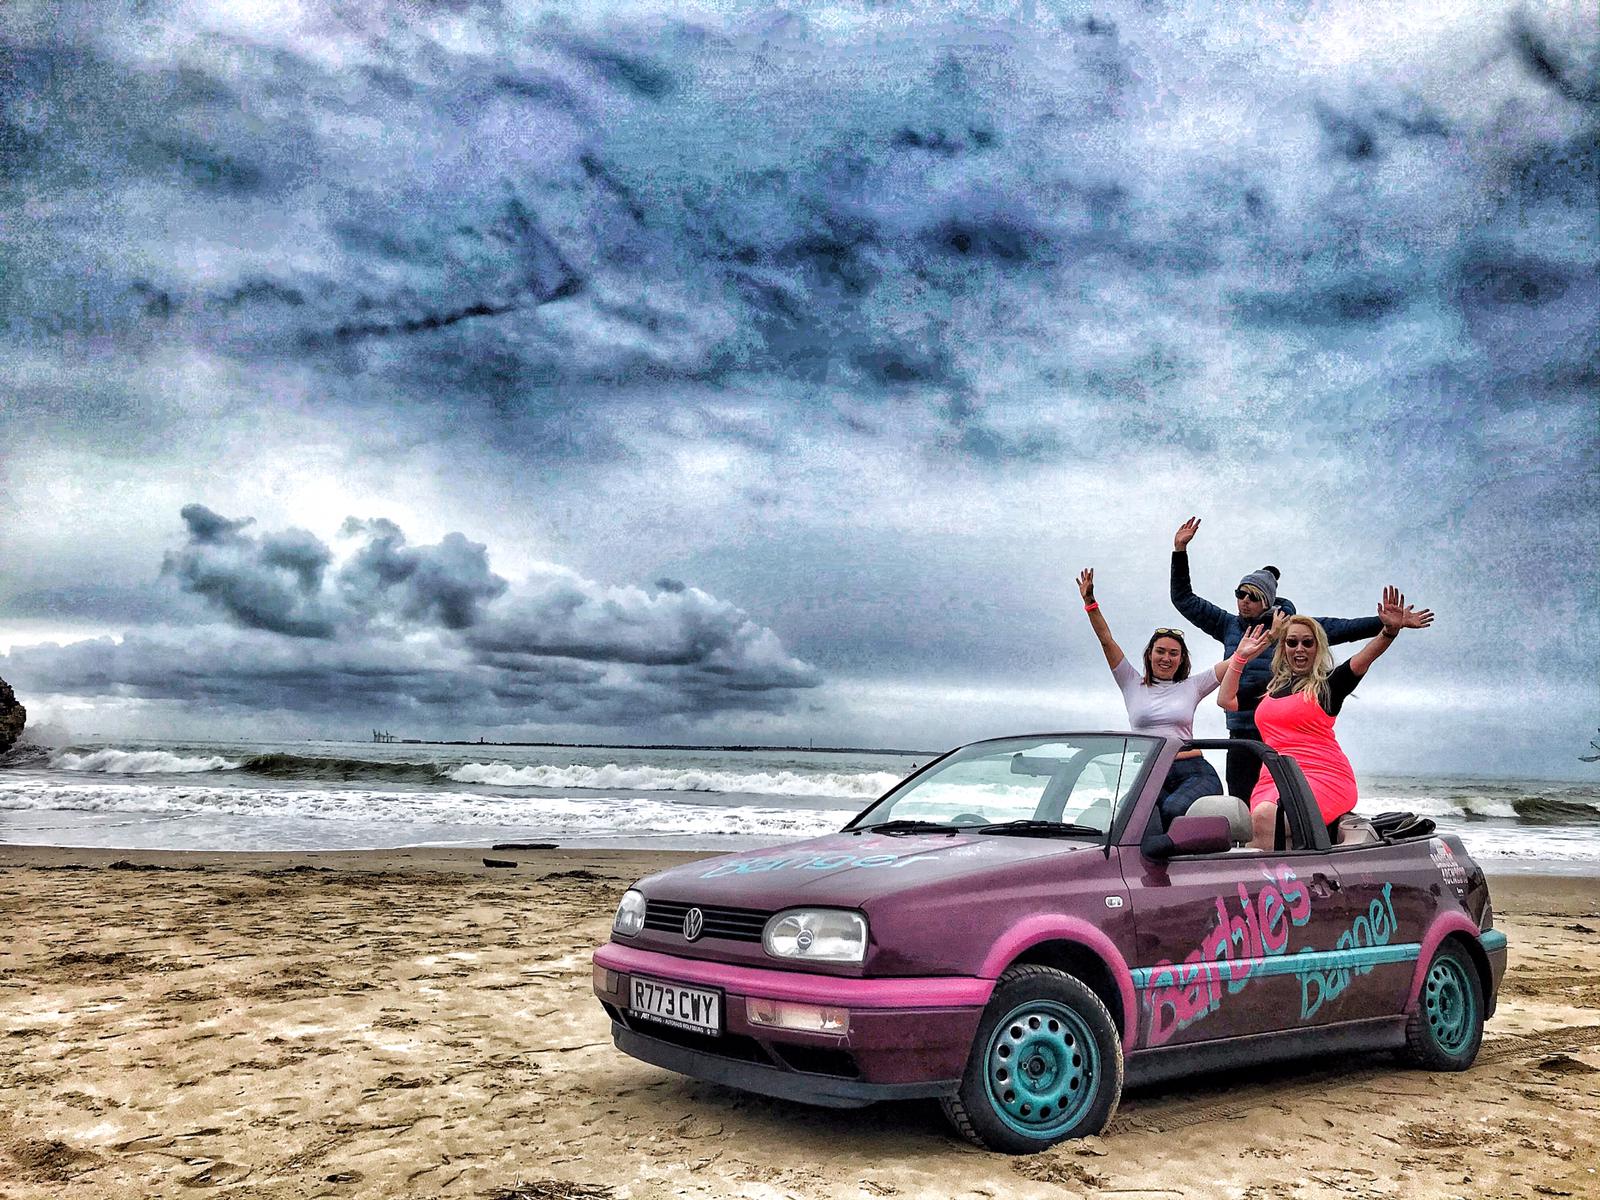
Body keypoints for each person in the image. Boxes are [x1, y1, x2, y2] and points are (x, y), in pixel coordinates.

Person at [1170, 516, 1383, 800]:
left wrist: (1385, 623)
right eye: (1240, 594)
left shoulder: (1292, 629)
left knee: (1285, 803)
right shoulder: (1227, 624)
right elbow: (1184, 599)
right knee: (1242, 805)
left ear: (1267, 601)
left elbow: (1343, 628)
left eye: (1253, 596)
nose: (1244, 601)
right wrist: (1180, 551)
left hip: (1282, 733)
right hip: (1241, 732)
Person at [1219, 587, 1433, 849]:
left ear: (1317, 647)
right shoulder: (1270, 686)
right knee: (1258, 825)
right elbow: (1226, 700)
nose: (1299, 648)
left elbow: (1364, 658)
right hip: (1274, 779)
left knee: (1265, 818)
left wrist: (1388, 632)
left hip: (1323, 776)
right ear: (1283, 647)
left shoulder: (1328, 685)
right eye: (1292, 642)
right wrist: (1241, 657)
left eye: (1307, 642)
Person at [1076, 568, 1228, 829]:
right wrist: (1090, 603)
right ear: (1149, 654)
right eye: (1160, 651)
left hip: (1193, 771)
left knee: (1172, 809)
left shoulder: (1192, 686)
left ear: (1181, 659)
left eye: (1173, 653)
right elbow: (1106, 641)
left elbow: (1236, 661)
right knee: (1132, 822)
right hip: (1149, 772)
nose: (1166, 658)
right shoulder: (1130, 682)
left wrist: (1266, 638)